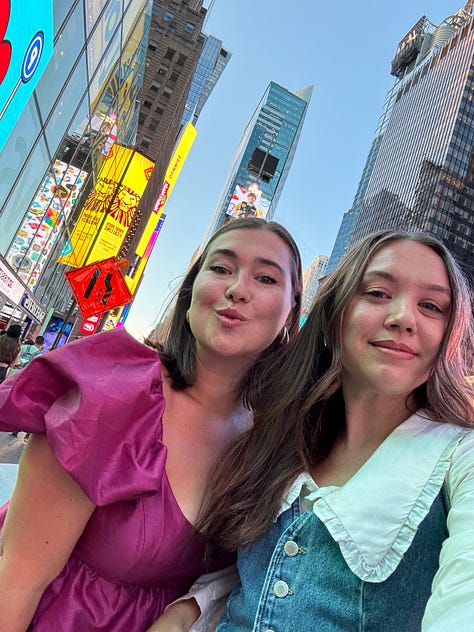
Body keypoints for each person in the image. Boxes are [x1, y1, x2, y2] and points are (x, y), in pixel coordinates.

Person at [154, 230, 474, 631]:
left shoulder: (461, 460)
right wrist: (191, 608)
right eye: (377, 293)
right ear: (333, 319)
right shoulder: (279, 436)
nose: (403, 318)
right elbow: (266, 573)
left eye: (431, 306)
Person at [0, 217, 302, 632]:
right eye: (221, 268)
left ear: (291, 310)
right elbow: (17, 580)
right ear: (191, 292)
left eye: (266, 278)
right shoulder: (115, 391)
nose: (237, 289)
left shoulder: (275, 440)